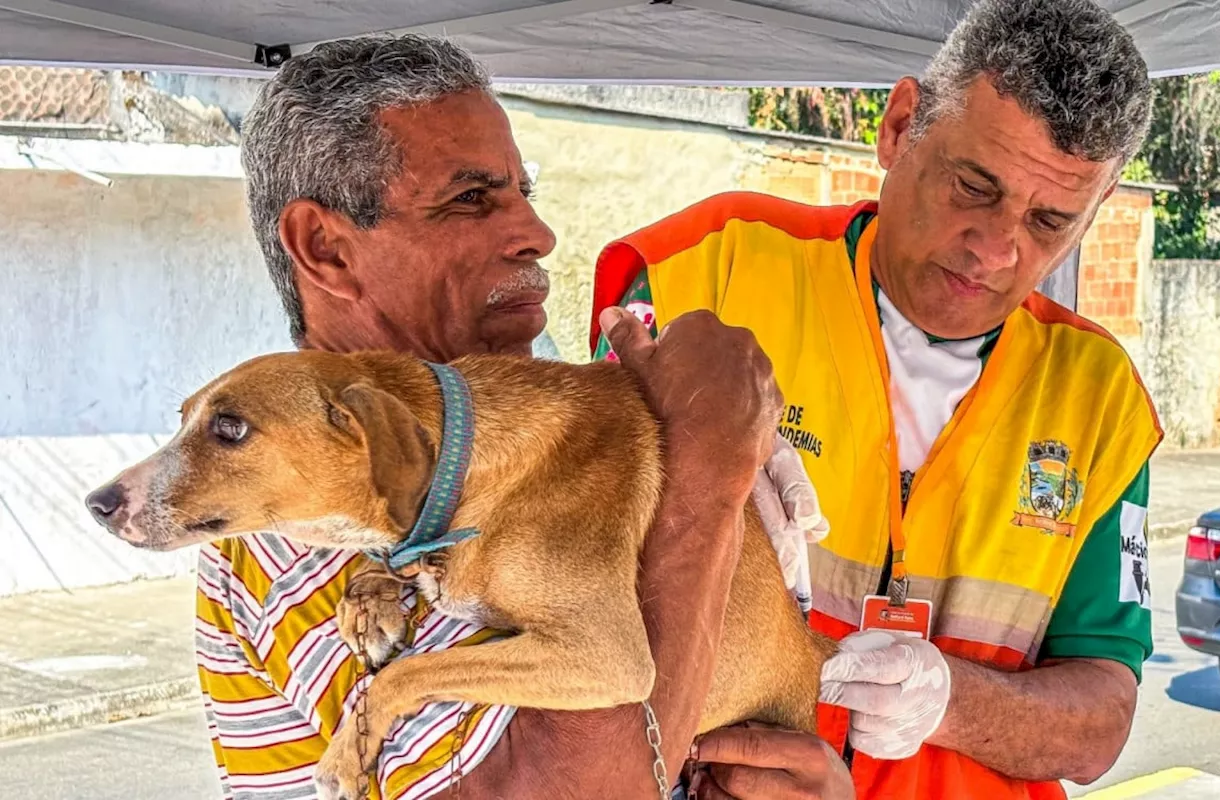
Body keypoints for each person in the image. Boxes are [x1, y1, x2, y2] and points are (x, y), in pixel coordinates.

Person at [194, 35, 850, 800]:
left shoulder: (522, 434)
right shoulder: (298, 513)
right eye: (472, 198)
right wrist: (706, 466)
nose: (537, 234)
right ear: (327, 250)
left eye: (523, 192)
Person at [592, 1, 1162, 798]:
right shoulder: (707, 272)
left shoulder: (1099, 396)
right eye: (974, 186)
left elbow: (1102, 720)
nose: (996, 249)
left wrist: (948, 699)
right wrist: (697, 484)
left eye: (1049, 221)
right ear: (899, 127)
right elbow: (573, 569)